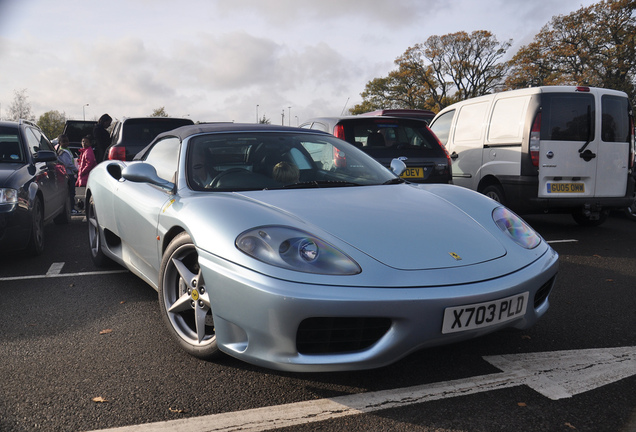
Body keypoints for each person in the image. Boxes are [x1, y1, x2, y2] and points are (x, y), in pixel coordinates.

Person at [56, 134, 79, 214]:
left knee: (71, 191)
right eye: (63, 141)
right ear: (59, 142)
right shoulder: (63, 152)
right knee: (71, 192)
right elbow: (68, 163)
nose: (66, 143)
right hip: (68, 174)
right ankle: (71, 208)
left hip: (69, 173)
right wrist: (76, 170)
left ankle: (72, 207)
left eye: (67, 141)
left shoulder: (66, 150)